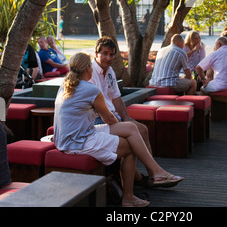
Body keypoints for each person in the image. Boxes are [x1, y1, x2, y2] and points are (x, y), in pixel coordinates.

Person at [53, 52, 183, 207]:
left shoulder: (65, 86)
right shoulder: (90, 89)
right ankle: (129, 196)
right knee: (129, 147)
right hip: (77, 142)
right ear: (88, 68)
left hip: (69, 138)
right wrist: (116, 122)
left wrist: (119, 124)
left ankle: (156, 172)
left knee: (130, 127)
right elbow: (109, 118)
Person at [90, 36, 156, 188]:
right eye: (105, 53)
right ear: (96, 53)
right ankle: (139, 178)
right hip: (98, 120)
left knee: (143, 129)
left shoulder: (110, 70)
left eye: (111, 55)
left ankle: (152, 176)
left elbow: (117, 98)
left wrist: (126, 119)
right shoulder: (90, 72)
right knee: (130, 138)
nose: (108, 58)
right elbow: (99, 109)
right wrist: (120, 123)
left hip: (113, 117)